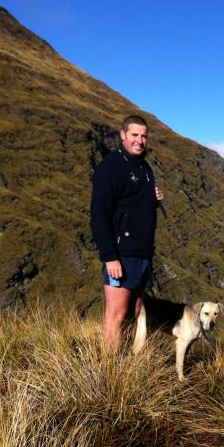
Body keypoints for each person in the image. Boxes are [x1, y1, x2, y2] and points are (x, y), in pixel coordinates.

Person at [90, 115, 164, 353]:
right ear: (123, 135)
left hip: (142, 253)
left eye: (143, 136)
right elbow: (99, 216)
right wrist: (110, 256)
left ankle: (124, 366)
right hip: (121, 253)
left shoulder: (144, 167)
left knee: (133, 312)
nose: (140, 140)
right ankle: (109, 372)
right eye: (134, 135)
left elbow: (131, 205)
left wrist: (151, 200)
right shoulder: (110, 168)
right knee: (116, 314)